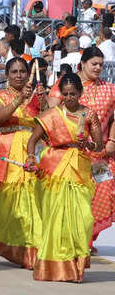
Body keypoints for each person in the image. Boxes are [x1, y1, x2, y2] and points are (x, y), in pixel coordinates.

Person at [27, 73, 102, 282]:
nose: (69, 98)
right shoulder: (52, 114)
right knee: (57, 218)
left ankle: (76, 265)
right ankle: (61, 267)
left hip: (79, 167)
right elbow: (33, 140)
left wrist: (89, 145)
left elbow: (99, 144)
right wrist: (31, 158)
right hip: (55, 167)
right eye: (66, 94)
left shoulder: (89, 114)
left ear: (80, 93)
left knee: (83, 219)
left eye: (73, 94)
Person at [47, 47, 115, 251]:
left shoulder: (109, 88)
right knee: (75, 196)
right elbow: (51, 111)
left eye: (101, 64)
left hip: (101, 154)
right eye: (94, 63)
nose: (98, 68)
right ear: (82, 64)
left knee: (104, 193)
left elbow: (113, 118)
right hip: (74, 153)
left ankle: (87, 236)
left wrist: (112, 140)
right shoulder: (68, 84)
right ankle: (75, 237)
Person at [0, 58, 45, 269]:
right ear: (7, 74)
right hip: (5, 149)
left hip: (30, 150)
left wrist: (43, 103)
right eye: (14, 71)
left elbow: (46, 121)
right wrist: (18, 100)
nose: (19, 75)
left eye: (22, 71)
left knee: (29, 199)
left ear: (28, 74)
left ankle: (28, 250)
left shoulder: (35, 96)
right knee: (0, 200)